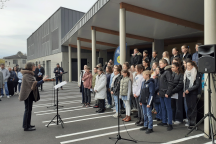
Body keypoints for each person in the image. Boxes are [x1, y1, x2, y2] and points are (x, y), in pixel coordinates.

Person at [19, 62, 48, 131]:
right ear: (30, 67)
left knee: (29, 110)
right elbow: (34, 84)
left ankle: (28, 124)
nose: (35, 67)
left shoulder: (29, 74)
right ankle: (26, 126)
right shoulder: (27, 75)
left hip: (29, 94)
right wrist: (43, 80)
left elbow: (33, 84)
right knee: (27, 110)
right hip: (27, 95)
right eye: (34, 66)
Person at [183, 60, 201, 129]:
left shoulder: (196, 73)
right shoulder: (186, 73)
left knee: (193, 107)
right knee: (189, 108)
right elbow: (185, 83)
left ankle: (193, 123)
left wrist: (189, 90)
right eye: (187, 65)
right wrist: (184, 91)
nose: (187, 67)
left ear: (192, 66)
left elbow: (197, 85)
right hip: (187, 93)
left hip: (193, 93)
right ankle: (190, 122)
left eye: (189, 65)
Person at [157, 59, 173, 131]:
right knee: (163, 107)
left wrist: (168, 92)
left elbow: (170, 83)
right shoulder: (161, 72)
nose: (160, 64)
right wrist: (158, 91)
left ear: (165, 64)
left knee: (168, 108)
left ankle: (170, 123)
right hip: (161, 92)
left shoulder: (167, 72)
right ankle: (164, 121)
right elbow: (160, 83)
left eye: (161, 63)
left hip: (166, 93)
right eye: (159, 63)